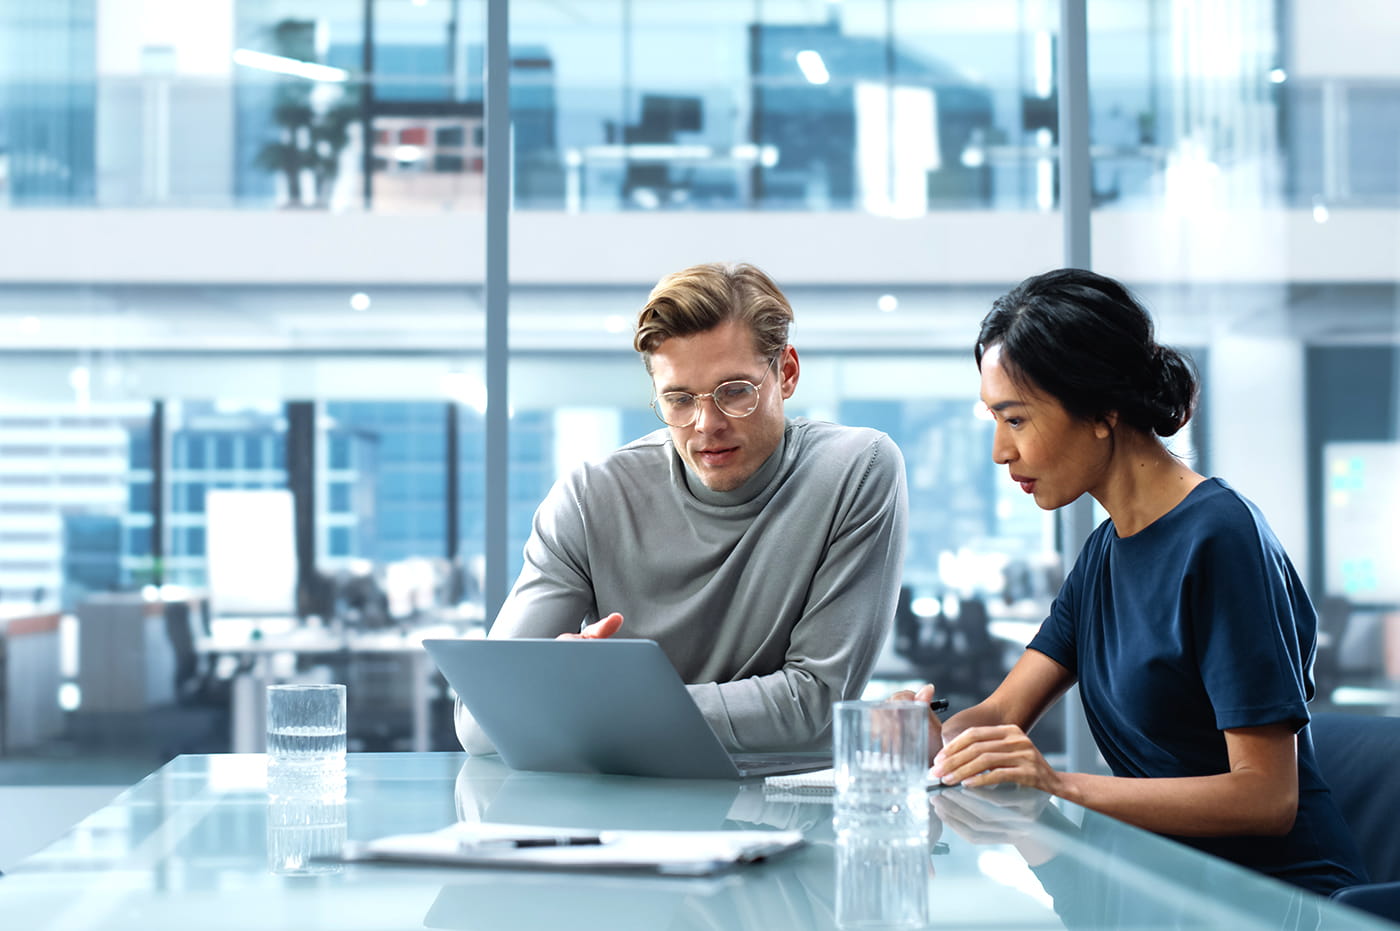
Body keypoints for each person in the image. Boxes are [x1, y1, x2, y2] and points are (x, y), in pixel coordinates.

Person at [899, 268, 1366, 896]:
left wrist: (1058, 785)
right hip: (1162, 886)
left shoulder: (1221, 538)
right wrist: (936, 738)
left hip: (1277, 900)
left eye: (1015, 420)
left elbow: (1267, 796)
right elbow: (1001, 714)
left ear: (1101, 410)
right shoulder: (1103, 555)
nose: (999, 453)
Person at [457, 261, 909, 754]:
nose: (706, 424)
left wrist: (597, 706)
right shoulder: (590, 498)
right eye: (678, 399)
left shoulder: (856, 470)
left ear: (788, 372)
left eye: (735, 391)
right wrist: (563, 687)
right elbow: (480, 721)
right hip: (622, 814)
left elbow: (815, 707)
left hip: (787, 809)